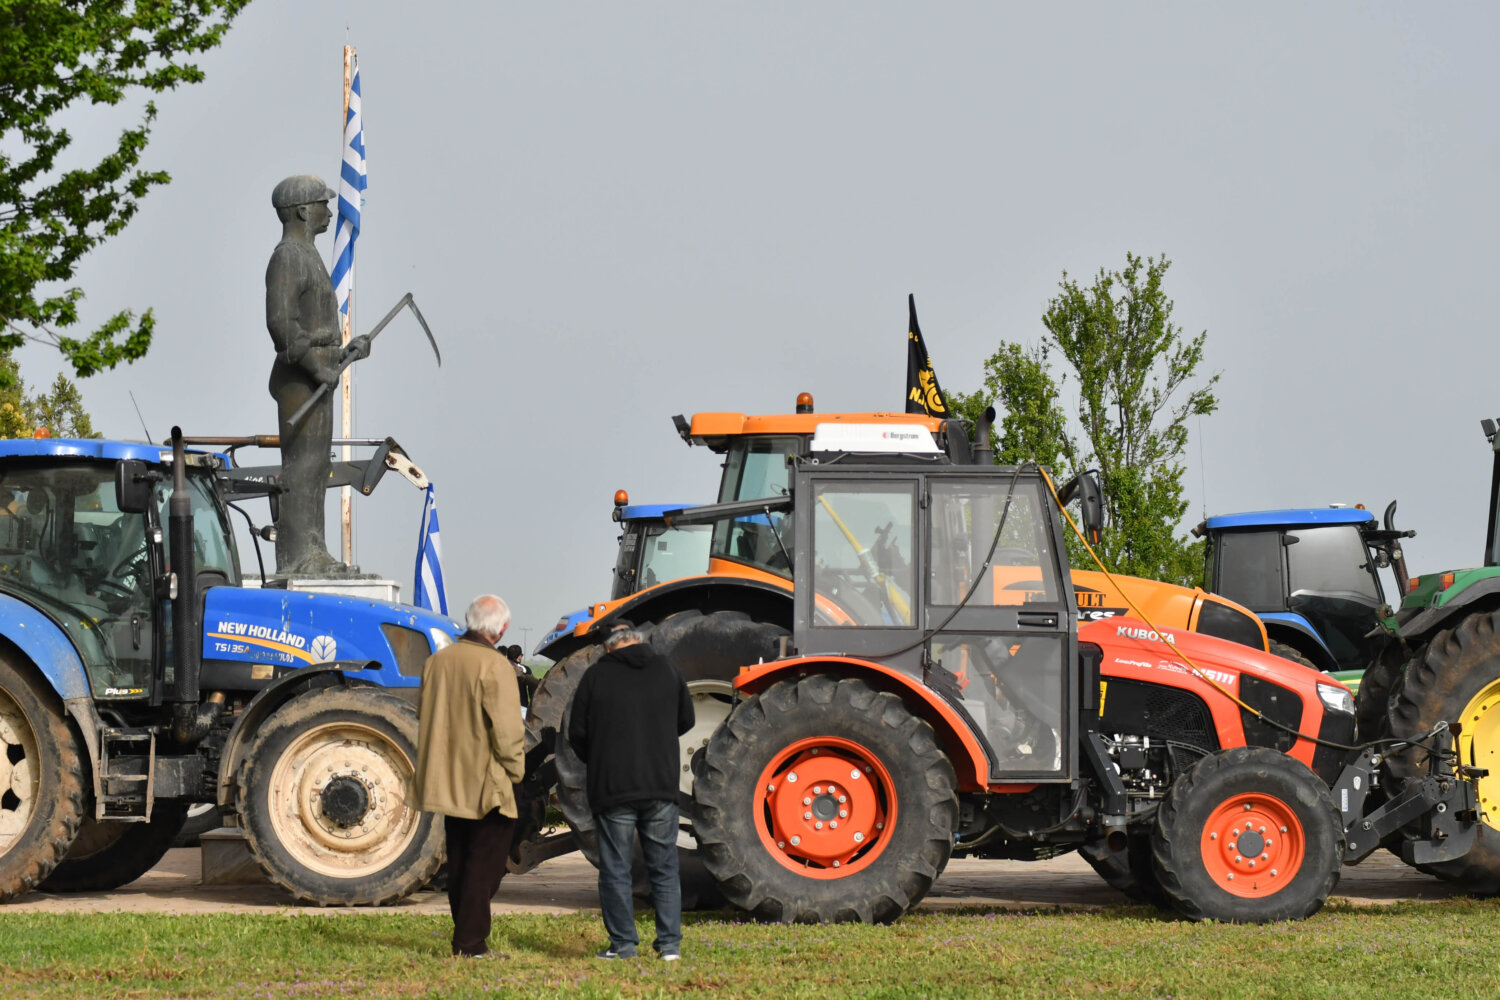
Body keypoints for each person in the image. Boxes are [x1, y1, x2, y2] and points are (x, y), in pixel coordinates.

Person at [264, 173, 371, 576]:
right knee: (302, 465)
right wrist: (315, 367)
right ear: (303, 210)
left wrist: (346, 353)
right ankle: (298, 557)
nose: (329, 210)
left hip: (318, 370)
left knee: (316, 465)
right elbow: (282, 325)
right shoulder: (289, 256)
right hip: (300, 376)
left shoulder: (307, 255)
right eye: (323, 204)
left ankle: (314, 549)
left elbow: (311, 327)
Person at [567, 621, 694, 961]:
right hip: (660, 787)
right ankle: (670, 947)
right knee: (665, 867)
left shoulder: (595, 677)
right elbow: (687, 720)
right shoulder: (667, 669)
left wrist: (600, 757)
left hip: (613, 788)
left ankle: (623, 946)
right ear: (637, 639)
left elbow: (576, 733)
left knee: (616, 868)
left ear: (608, 646)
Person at [411, 594, 524, 959]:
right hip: (486, 782)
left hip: (447, 777)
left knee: (459, 859)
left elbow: (423, 712)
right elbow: (507, 731)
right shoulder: (496, 666)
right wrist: (516, 771)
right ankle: (471, 943)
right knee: (486, 865)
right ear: (502, 628)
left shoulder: (436, 661)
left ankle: (465, 935)